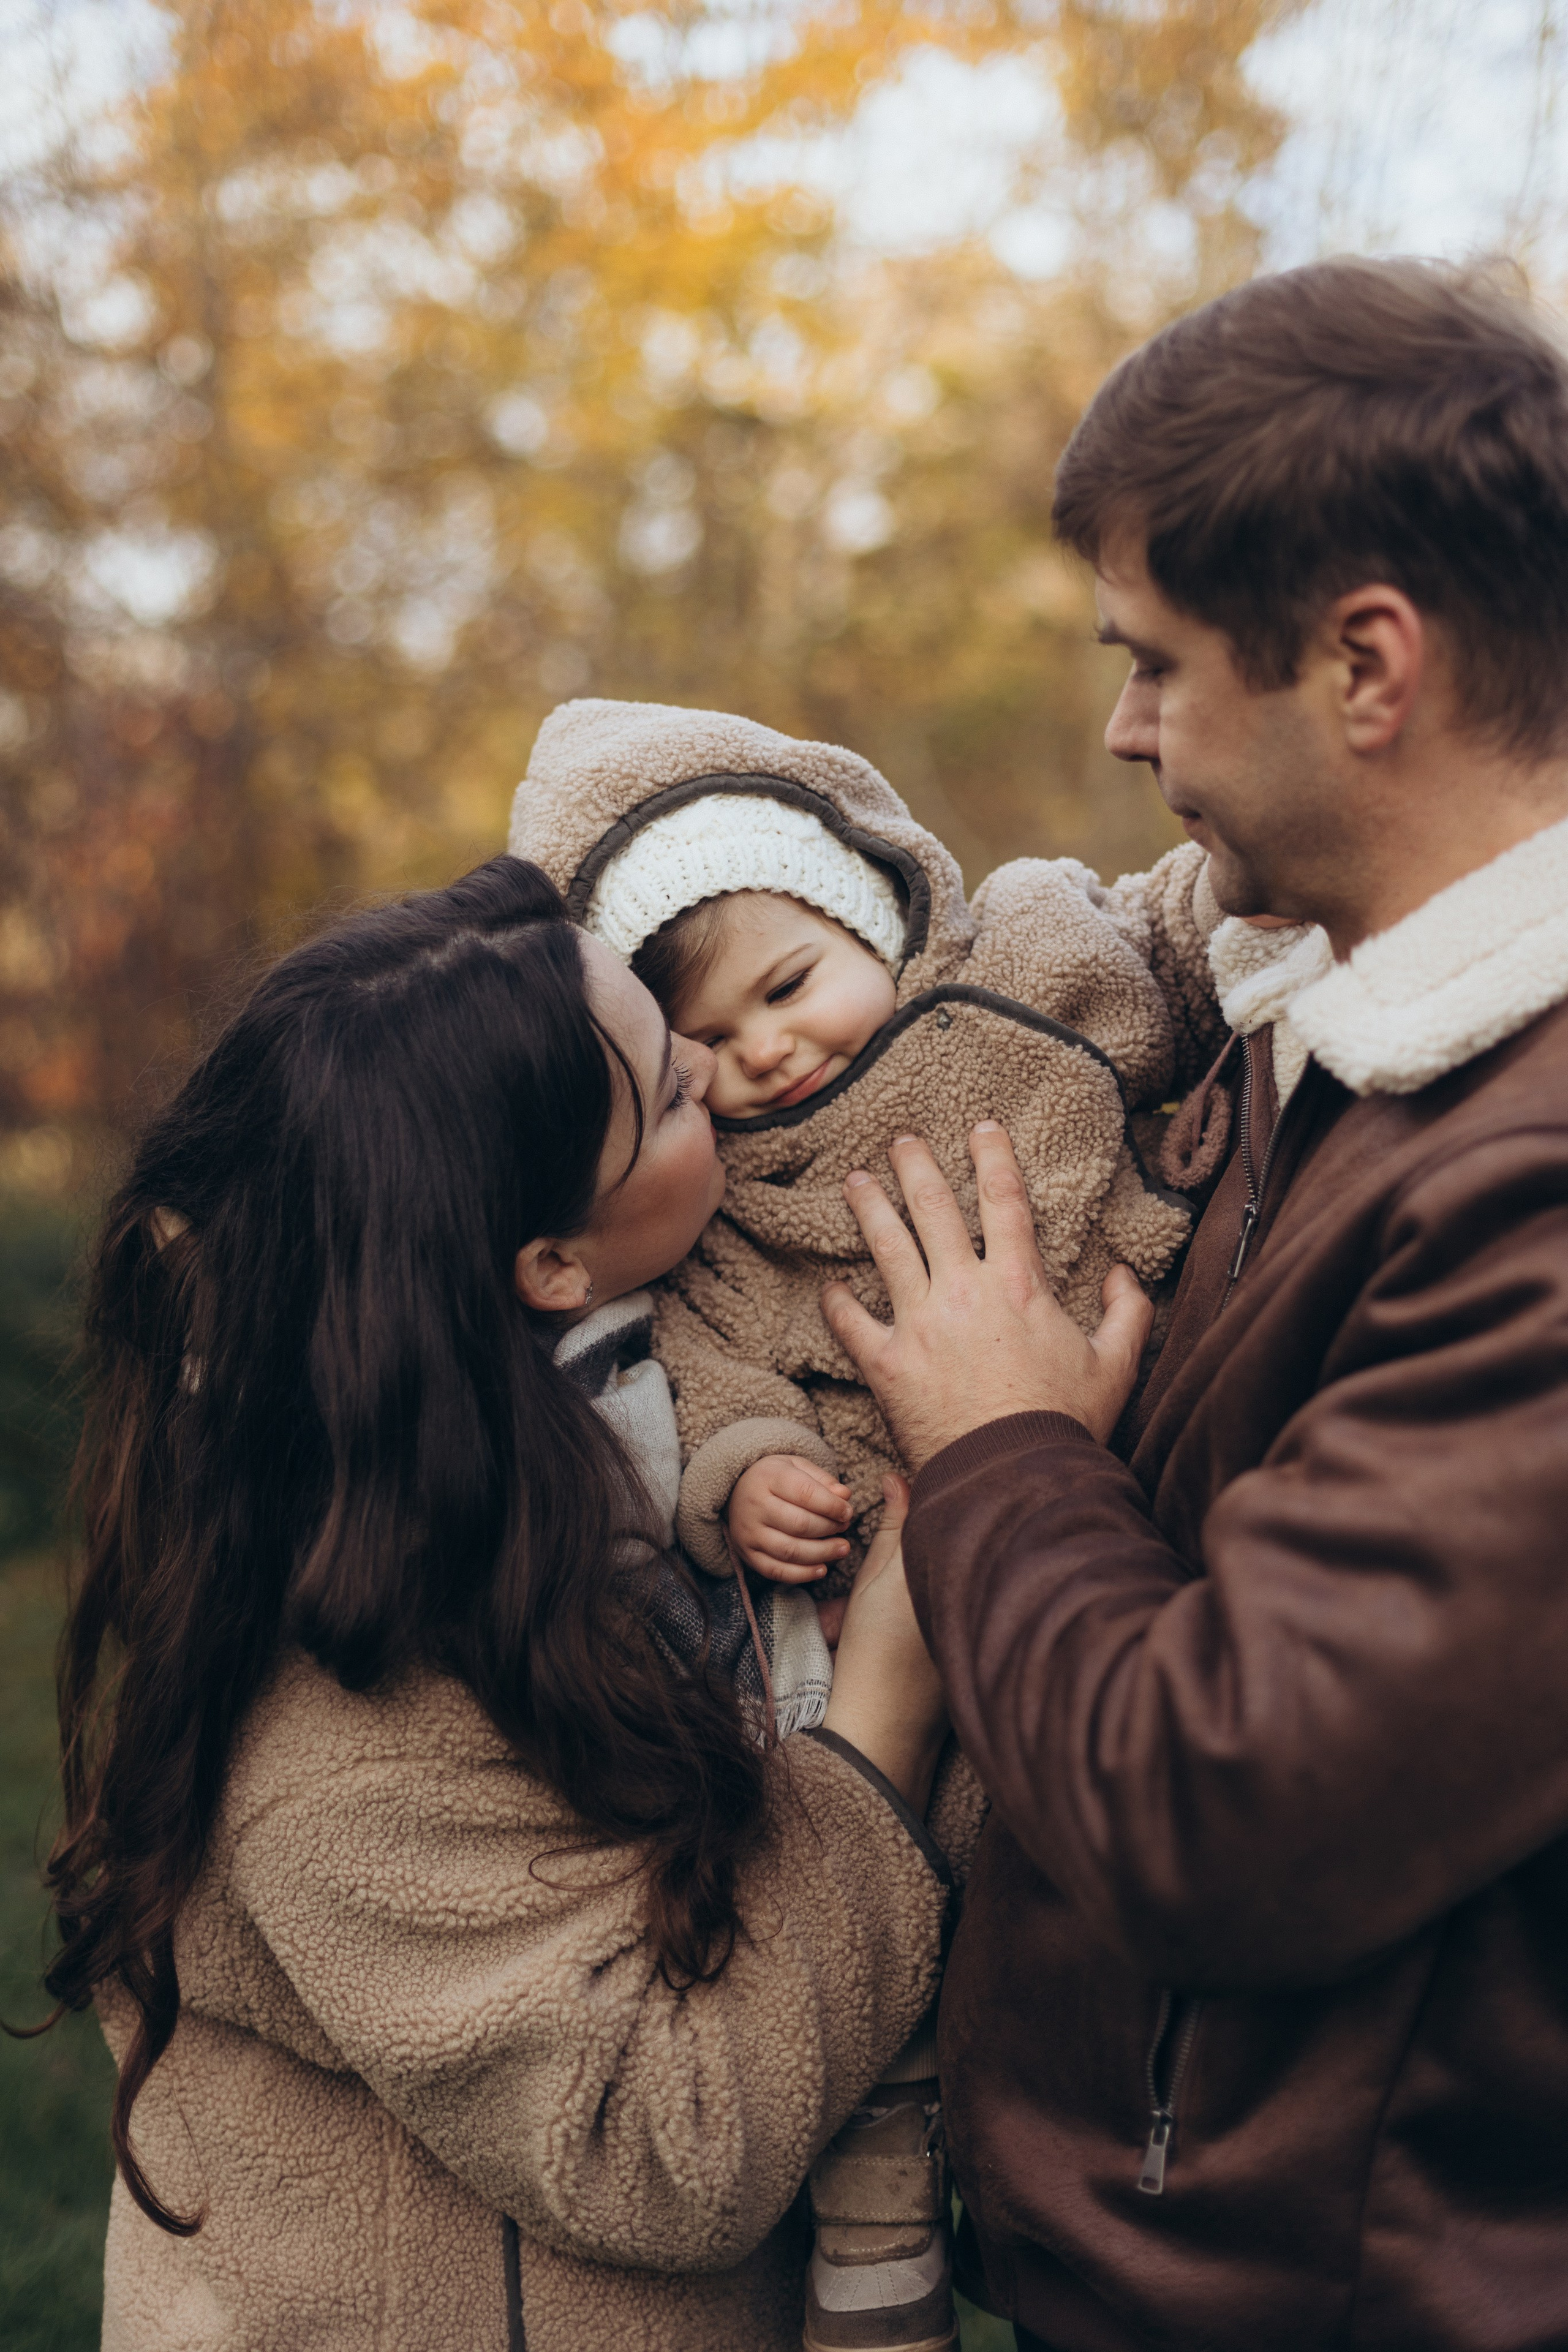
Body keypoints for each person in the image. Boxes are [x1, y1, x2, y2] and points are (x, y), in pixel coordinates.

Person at [820, 255, 1568, 2352]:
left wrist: (999, 1449)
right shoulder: (1316, 1017)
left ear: (1366, 666)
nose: (1124, 728)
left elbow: (1225, 1808)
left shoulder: (1536, 1185)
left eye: (1153, 662)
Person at [37, 856, 977, 2352]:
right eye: (671, 1094)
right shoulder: (345, 1720)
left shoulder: (544, 1463)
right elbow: (662, 2149)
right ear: (548, 1264)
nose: (721, 1082)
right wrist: (883, 1713)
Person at [505, 696, 1229, 2348]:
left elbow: (1186, 937)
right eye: (704, 1043)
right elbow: (701, 1371)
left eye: (787, 985)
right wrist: (748, 1472)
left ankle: (1100, 2157)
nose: (765, 1052)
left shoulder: (1027, 969)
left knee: (1105, 1873)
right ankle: (895, 2260)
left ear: (874, 910)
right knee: (911, 1927)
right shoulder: (717, 1207)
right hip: (884, 1594)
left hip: (1124, 1477)